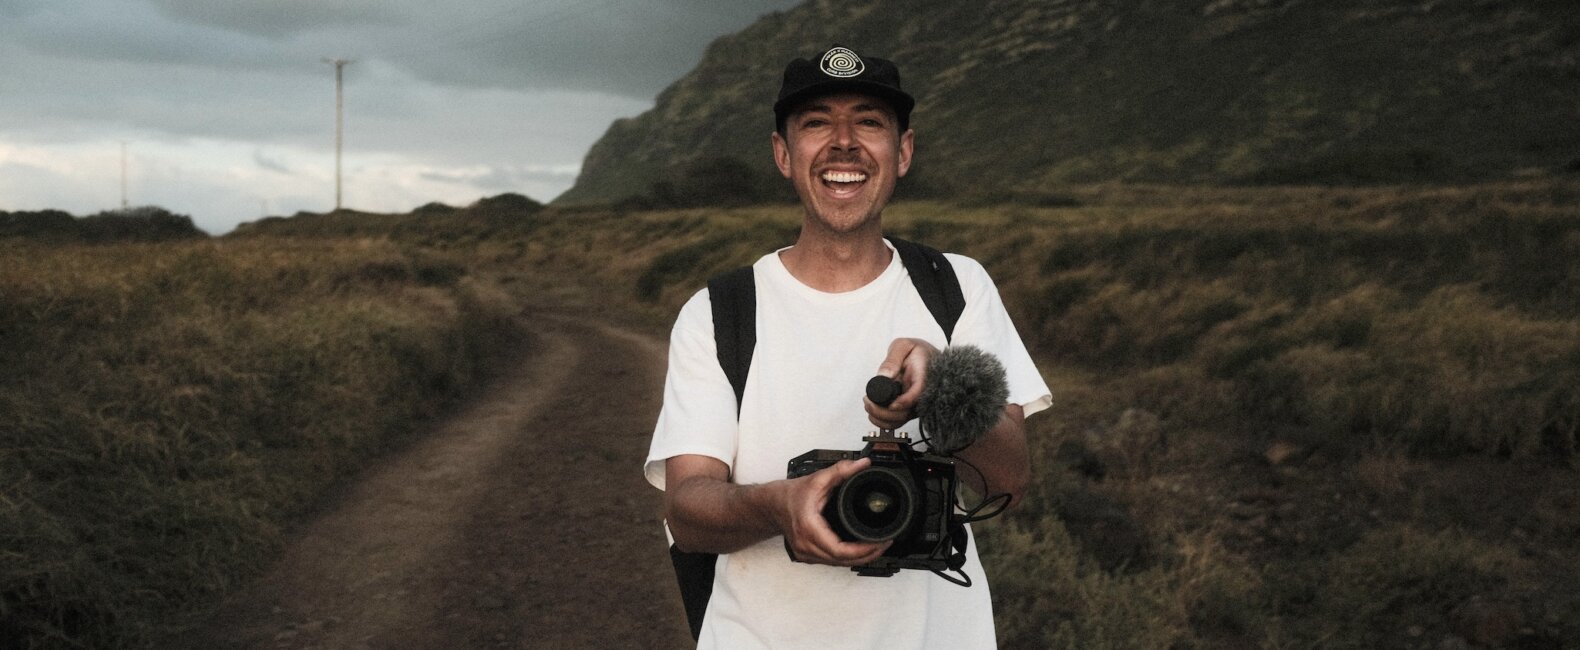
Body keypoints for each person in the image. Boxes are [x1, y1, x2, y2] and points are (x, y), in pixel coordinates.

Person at [643, 45, 1052, 649]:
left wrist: (944, 387)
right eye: (816, 122)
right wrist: (780, 506)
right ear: (783, 154)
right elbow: (686, 510)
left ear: (902, 151)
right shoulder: (720, 313)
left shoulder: (956, 288)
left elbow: (1008, 484)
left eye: (868, 121)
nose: (843, 143)